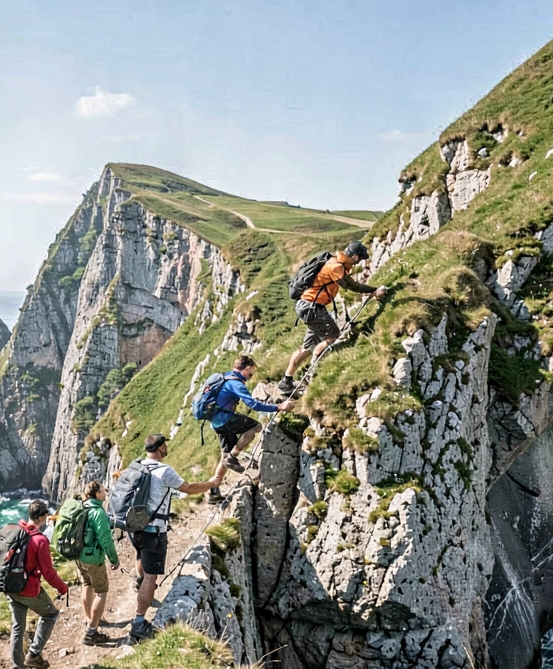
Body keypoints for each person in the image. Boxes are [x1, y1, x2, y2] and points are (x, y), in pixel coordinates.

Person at [129, 434, 221, 643]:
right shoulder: (164, 471)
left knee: (141, 557)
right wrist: (210, 483)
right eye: (166, 444)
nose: (168, 447)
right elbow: (188, 488)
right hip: (153, 530)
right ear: (161, 448)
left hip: (134, 526)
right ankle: (138, 623)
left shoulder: (136, 466)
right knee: (152, 577)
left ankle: (139, 583)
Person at [279, 241, 388, 396]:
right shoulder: (336, 267)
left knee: (307, 346)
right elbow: (352, 286)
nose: (361, 261)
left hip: (306, 306)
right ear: (355, 256)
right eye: (361, 258)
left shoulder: (331, 259)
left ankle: (286, 382)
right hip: (313, 307)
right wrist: (375, 290)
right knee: (332, 336)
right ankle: (312, 374)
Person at [208, 355, 295, 495]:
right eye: (250, 373)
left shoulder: (226, 376)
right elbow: (253, 404)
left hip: (215, 421)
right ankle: (233, 457)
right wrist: (279, 407)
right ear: (246, 368)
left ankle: (213, 490)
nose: (250, 376)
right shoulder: (236, 383)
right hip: (225, 418)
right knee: (254, 427)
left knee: (225, 455)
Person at [7, 500, 70, 669]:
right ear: (43, 517)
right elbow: (48, 572)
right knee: (51, 614)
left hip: (11, 586)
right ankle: (34, 654)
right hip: (28, 589)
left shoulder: (15, 529)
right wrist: (62, 588)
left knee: (17, 628)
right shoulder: (40, 540)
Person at [75, 481, 120, 646]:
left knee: (86, 584)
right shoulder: (98, 512)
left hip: (78, 556)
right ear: (98, 494)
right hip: (93, 558)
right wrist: (114, 559)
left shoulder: (81, 507)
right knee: (101, 591)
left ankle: (89, 619)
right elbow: (105, 539)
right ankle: (92, 632)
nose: (105, 492)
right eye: (103, 490)